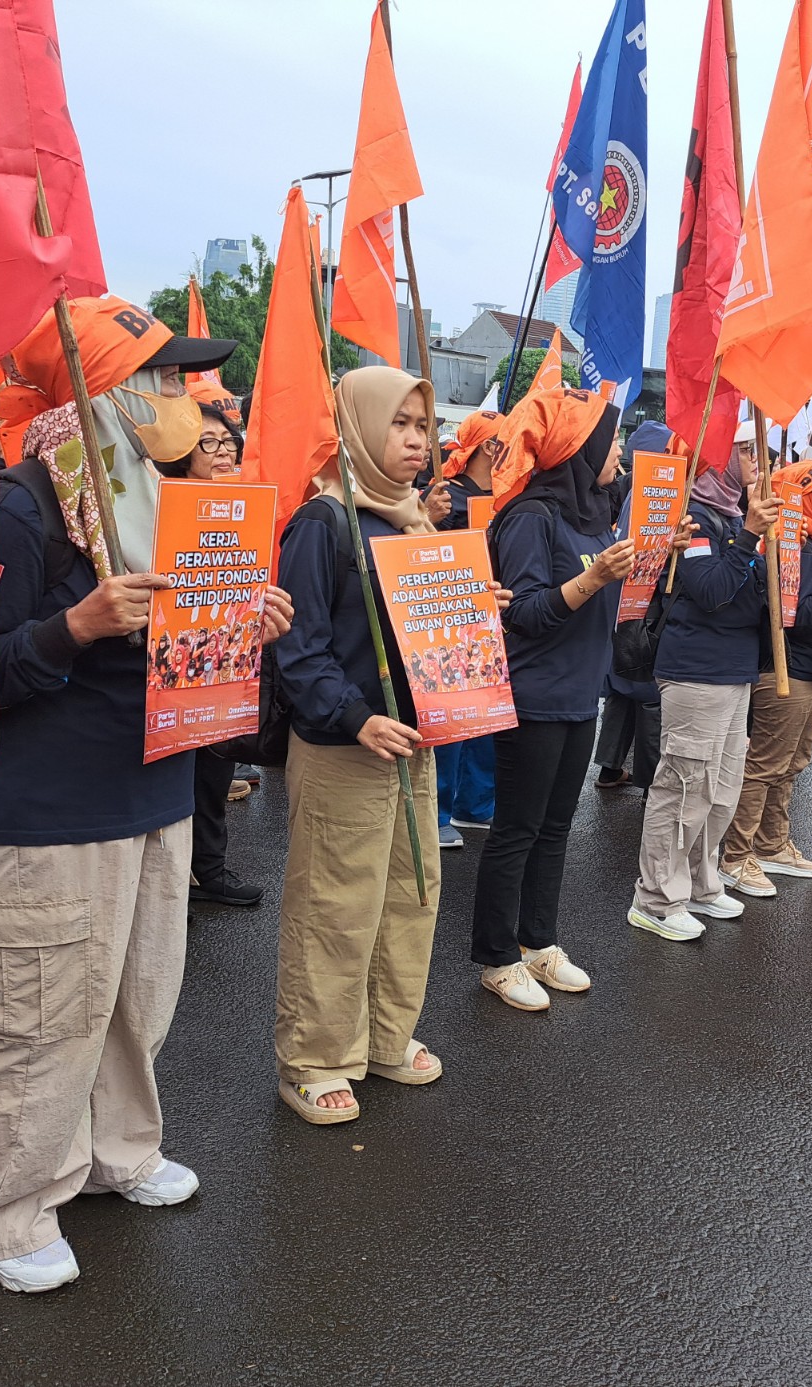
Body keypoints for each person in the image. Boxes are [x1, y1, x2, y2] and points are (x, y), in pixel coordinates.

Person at [0, 307, 288, 1293]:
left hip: (152, 793)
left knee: (136, 999)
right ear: (110, 393)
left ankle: (118, 1153)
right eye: (170, 380)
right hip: (46, 812)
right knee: (42, 1016)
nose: (192, 401)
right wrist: (74, 626)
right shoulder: (19, 506)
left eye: (192, 383)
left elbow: (180, 661)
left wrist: (246, 626)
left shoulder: (164, 501)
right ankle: (9, 1210)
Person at [272, 366, 445, 1122]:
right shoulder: (323, 521)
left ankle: (385, 1032)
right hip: (348, 747)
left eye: (422, 425)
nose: (416, 440)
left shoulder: (413, 518)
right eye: (400, 424)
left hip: (417, 740)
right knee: (335, 904)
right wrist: (353, 717)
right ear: (358, 426)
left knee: (411, 895)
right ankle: (315, 1056)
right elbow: (300, 650)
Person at [471, 388, 631, 1011]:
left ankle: (539, 942)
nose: (617, 450)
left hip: (579, 694)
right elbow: (529, 613)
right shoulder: (531, 517)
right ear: (579, 448)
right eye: (611, 438)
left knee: (557, 829)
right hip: (534, 694)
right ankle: (495, 956)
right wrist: (592, 579)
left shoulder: (593, 514)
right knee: (516, 830)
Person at [628, 420, 776, 942]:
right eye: (745, 450)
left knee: (722, 791)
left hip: (736, 674)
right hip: (696, 672)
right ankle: (655, 898)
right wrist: (750, 538)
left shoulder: (738, 515)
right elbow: (711, 590)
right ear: (717, 458)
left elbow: (758, 598)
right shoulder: (695, 518)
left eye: (760, 451)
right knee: (685, 786)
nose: (758, 460)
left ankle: (698, 882)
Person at [721, 457, 812, 894]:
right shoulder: (790, 546)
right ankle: (736, 855)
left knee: (791, 764)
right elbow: (797, 616)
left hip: (810, 671)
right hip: (784, 673)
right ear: (806, 500)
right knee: (766, 766)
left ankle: (770, 843)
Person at [151, 404, 264, 911]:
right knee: (172, 780)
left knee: (216, 768)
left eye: (228, 442)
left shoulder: (245, 506)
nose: (223, 453)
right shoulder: (155, 506)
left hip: (225, 663)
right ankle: (170, 884)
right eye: (209, 443)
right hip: (170, 670)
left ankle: (209, 869)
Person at [425, 410, 501, 846]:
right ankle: (436, 812)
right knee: (451, 725)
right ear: (489, 447)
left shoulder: (510, 495)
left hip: (490, 623)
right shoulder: (444, 495)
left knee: (486, 720)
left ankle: (476, 805)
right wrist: (431, 518)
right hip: (447, 627)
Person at [592, 420, 680, 791]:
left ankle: (611, 766)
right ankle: (650, 785)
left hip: (627, 607)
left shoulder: (638, 488)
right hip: (642, 608)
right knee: (647, 698)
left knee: (623, 691)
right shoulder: (655, 492)